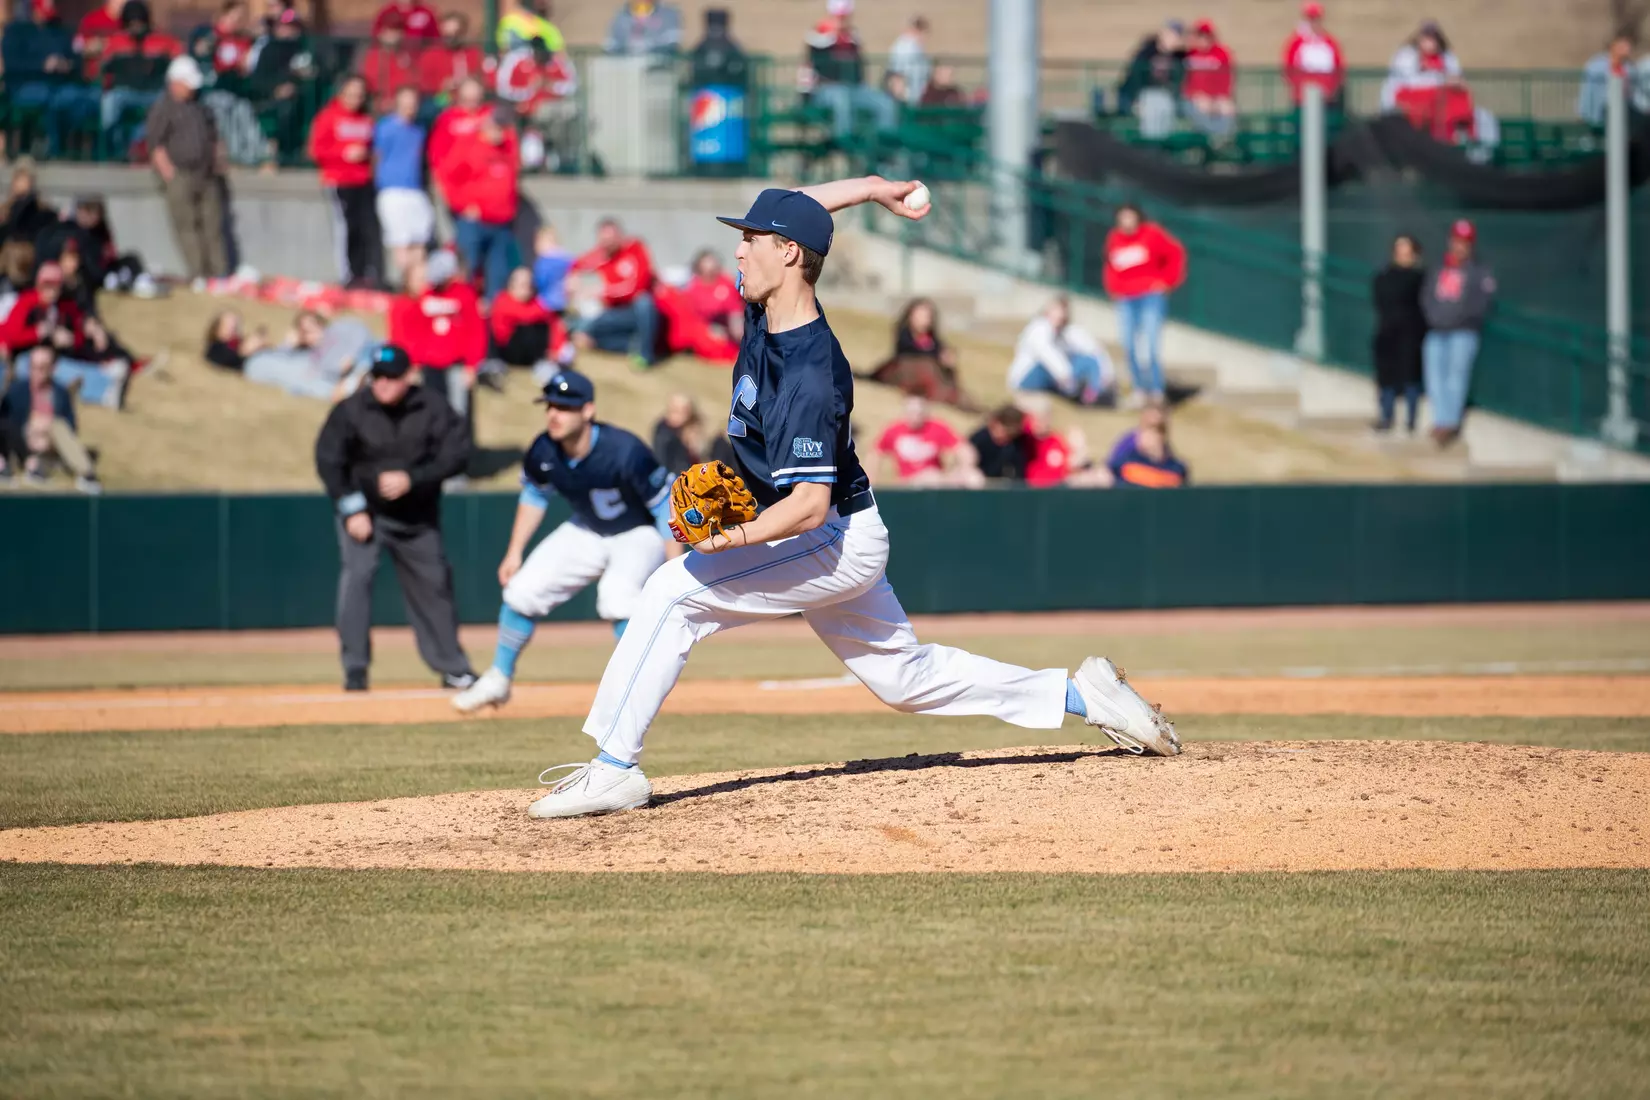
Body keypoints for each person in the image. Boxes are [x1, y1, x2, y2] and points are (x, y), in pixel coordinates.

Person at [523, 178, 1179, 820]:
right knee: (907, 679)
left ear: (787, 254)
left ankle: (614, 768)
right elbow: (803, 207)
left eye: (750, 239)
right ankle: (1082, 694)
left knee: (671, 593)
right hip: (835, 532)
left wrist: (729, 539)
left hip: (826, 536)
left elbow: (807, 505)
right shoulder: (763, 307)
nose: (737, 250)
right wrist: (872, 188)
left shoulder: (812, 371)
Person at [452, 368, 674, 712]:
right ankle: (498, 678)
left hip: (636, 532)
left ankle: (635, 684)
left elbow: (664, 506)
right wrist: (514, 552)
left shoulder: (625, 449)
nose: (554, 414)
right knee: (522, 591)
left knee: (617, 597)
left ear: (588, 410)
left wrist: (672, 564)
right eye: (550, 405)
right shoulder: (544, 449)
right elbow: (534, 498)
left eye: (565, 406)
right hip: (587, 528)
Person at [314, 344, 476, 693]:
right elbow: (329, 460)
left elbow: (458, 453)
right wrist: (351, 507)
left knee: (434, 587)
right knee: (356, 581)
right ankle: (355, 670)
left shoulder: (431, 407)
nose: (383, 384)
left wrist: (413, 479)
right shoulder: (352, 409)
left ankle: (453, 668)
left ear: (409, 376)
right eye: (377, 377)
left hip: (416, 518)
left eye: (391, 378)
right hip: (365, 515)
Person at [1, 261, 130, 408]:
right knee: (49, 366)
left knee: (61, 365)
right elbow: (10, 336)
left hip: (52, 357)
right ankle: (103, 391)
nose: (52, 292)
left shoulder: (59, 308)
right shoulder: (27, 302)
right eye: (47, 286)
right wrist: (37, 333)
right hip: (20, 360)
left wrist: (78, 335)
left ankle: (106, 381)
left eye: (56, 287)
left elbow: (77, 333)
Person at [146, 55, 228, 286]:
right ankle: (199, 273)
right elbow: (155, 144)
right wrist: (169, 173)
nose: (192, 88)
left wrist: (217, 161)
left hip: (206, 173)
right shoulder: (163, 108)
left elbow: (213, 136)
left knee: (213, 223)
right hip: (180, 174)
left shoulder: (200, 106)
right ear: (175, 82)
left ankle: (219, 272)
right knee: (187, 226)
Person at [1421, 220, 1495, 446]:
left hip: (1463, 332)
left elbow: (1482, 303)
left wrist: (1459, 318)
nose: (1459, 246)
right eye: (1456, 240)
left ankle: (1450, 423)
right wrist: (1433, 317)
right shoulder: (1439, 267)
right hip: (1436, 330)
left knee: (1456, 376)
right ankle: (1440, 420)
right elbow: (1426, 296)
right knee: (1434, 376)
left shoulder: (1480, 272)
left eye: (1464, 242)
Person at [389, 251, 486, 424]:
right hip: (429, 365)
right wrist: (413, 362)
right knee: (429, 408)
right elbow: (412, 333)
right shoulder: (424, 296)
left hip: (457, 364)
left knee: (458, 411)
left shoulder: (464, 295)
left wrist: (472, 364)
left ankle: (458, 447)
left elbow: (476, 332)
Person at [1102, 203, 1186, 406]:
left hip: (1150, 297)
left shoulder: (1152, 234)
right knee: (1129, 345)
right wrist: (1113, 288)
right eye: (1122, 217)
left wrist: (1167, 281)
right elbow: (1111, 266)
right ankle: (1139, 389)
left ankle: (1156, 391)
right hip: (1126, 299)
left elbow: (1176, 253)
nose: (1126, 221)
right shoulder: (1114, 238)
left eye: (1130, 217)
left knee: (1149, 347)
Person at [2, 0, 101, 160]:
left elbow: (76, 58)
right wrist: (42, 65)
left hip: (60, 84)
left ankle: (75, 151)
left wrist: (66, 64)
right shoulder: (16, 31)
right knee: (49, 98)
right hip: (25, 86)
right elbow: (13, 65)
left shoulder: (60, 32)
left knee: (82, 98)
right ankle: (52, 148)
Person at [309, 75, 381, 289]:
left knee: (365, 228)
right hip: (339, 180)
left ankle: (364, 272)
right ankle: (347, 275)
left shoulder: (366, 119)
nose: (355, 99)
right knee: (345, 228)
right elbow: (316, 150)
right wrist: (343, 153)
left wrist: (367, 156)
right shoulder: (328, 117)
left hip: (363, 180)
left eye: (359, 95)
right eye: (351, 94)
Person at [0, 345, 103, 492]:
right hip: (22, 441)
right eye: (33, 367)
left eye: (42, 367)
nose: (37, 372)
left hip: (51, 444)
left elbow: (71, 427)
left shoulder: (60, 393)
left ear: (52, 368)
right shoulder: (17, 390)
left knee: (57, 424)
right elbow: (6, 421)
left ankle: (86, 474)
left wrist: (47, 427)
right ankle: (30, 466)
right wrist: (32, 426)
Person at [442, 106, 521, 298]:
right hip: (474, 222)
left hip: (501, 222)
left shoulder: (506, 149)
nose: (500, 132)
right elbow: (448, 178)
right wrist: (462, 205)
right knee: (467, 269)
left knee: (498, 275)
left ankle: (492, 320)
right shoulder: (468, 146)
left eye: (503, 128)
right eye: (496, 126)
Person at [569, 217, 659, 367]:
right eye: (603, 240)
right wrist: (572, 277)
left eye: (610, 239)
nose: (607, 243)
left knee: (644, 302)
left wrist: (603, 291)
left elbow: (637, 286)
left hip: (638, 311)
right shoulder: (601, 254)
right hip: (615, 313)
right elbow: (576, 264)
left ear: (620, 236)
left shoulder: (635, 249)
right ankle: (631, 345)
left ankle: (645, 355)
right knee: (589, 328)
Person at [803, 0, 897, 141]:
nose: (841, 21)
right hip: (825, 90)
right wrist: (834, 37)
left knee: (885, 103)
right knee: (841, 98)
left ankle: (885, 147)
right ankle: (846, 143)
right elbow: (819, 63)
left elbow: (859, 68)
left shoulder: (853, 37)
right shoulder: (818, 36)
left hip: (854, 88)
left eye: (844, 17)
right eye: (838, 17)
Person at [1007, 296, 1115, 407]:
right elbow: (1046, 354)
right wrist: (1065, 376)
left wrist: (1107, 373)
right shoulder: (1039, 328)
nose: (1059, 314)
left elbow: (1094, 349)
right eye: (1056, 310)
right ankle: (1079, 393)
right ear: (1047, 311)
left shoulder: (1067, 332)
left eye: (1062, 311)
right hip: (1028, 378)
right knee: (1052, 367)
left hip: (1056, 378)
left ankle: (1093, 394)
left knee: (1088, 360)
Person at [373, 86, 432, 285]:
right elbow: (377, 157)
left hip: (415, 191)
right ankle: (407, 286)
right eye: (406, 102)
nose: (410, 107)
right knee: (401, 243)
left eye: (413, 102)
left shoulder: (419, 130)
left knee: (420, 241)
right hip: (392, 192)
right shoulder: (385, 128)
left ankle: (419, 284)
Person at [1381, 20, 1475, 142]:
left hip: (1440, 97)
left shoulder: (1447, 56)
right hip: (1412, 95)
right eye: (1426, 37)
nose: (1429, 42)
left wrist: (1452, 82)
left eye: (1433, 38)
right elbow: (1406, 81)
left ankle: (1457, 136)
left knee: (1460, 98)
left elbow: (1457, 77)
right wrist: (1440, 80)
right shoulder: (1406, 55)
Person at [1371, 234, 1426, 433]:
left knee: (1410, 376)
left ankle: (1411, 420)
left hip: (1411, 335)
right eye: (1399, 251)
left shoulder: (1420, 278)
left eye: (1407, 251)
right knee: (1386, 377)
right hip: (1387, 334)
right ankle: (1386, 416)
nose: (1403, 255)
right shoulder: (1384, 277)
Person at [873, 395, 981, 487]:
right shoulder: (894, 430)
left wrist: (965, 467)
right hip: (908, 482)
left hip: (938, 479)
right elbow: (876, 453)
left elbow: (963, 449)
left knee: (974, 477)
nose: (915, 417)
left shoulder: (936, 427)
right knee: (931, 476)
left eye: (919, 413)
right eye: (912, 413)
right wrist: (872, 480)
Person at [490, 265, 571, 373]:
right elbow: (501, 333)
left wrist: (555, 349)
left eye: (529, 283)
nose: (527, 287)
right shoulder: (502, 302)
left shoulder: (536, 304)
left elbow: (554, 325)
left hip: (536, 353)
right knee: (528, 328)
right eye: (523, 284)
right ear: (511, 285)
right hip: (509, 351)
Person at [1118, 21, 1185, 127]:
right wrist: (1135, 98)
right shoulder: (1147, 52)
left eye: (1177, 36)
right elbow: (1135, 77)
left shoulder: (1179, 57)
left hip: (1167, 96)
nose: (1173, 39)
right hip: (1144, 95)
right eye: (1170, 34)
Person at [1282, 1, 1344, 107]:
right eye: (1310, 19)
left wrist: (1332, 89)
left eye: (1316, 19)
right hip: (1302, 98)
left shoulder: (1329, 43)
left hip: (1327, 97)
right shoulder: (1297, 43)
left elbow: (1338, 66)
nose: (1313, 23)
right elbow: (1288, 67)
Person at [1579, 33, 1650, 126]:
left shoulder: (1630, 68)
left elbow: (1635, 93)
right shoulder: (1597, 66)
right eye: (1624, 45)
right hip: (1603, 109)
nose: (1628, 48)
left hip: (1627, 109)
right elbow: (1589, 91)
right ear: (1614, 46)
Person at [1181, 19, 1235, 137]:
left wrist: (1217, 98)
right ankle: (1210, 139)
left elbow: (1226, 79)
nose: (1203, 39)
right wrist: (1195, 94)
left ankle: (1223, 139)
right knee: (1201, 107)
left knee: (1227, 107)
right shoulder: (1189, 54)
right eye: (1200, 36)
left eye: (1206, 36)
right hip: (1194, 97)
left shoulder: (1221, 53)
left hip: (1215, 96)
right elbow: (1184, 81)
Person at [419, 12, 488, 101]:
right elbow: (424, 86)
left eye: (457, 33)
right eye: (448, 34)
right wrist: (442, 87)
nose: (452, 38)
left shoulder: (474, 54)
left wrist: (471, 82)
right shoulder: (431, 55)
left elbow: (486, 79)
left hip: (470, 100)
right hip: (441, 100)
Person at [357, 16, 418, 114]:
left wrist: (397, 102)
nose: (393, 35)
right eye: (389, 30)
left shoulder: (408, 58)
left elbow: (413, 85)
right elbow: (366, 85)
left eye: (397, 30)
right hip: (375, 109)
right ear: (381, 33)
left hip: (403, 109)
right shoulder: (371, 57)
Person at [681, 249, 742, 344]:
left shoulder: (726, 282)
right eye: (707, 262)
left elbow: (735, 309)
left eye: (712, 261)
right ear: (699, 266)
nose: (711, 265)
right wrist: (709, 328)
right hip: (706, 328)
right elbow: (692, 317)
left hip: (728, 326)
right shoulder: (693, 288)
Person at [1108, 423, 1188, 488]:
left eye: (1148, 435)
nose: (1142, 439)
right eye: (1141, 435)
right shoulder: (1126, 461)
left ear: (1160, 437)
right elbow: (1107, 474)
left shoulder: (1176, 468)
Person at [968, 404, 1033, 482]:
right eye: (1006, 430)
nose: (1007, 436)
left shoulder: (1017, 444)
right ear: (995, 423)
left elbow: (1018, 472)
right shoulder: (979, 440)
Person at [605, 0, 681, 56]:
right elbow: (612, 46)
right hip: (627, 68)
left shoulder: (669, 15)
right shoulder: (621, 16)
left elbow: (671, 46)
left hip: (658, 69)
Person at [202, 307, 269, 370]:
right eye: (229, 325)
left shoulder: (238, 341)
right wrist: (243, 352)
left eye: (235, 324)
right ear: (217, 329)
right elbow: (225, 361)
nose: (233, 327)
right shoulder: (216, 347)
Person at [886, 15, 930, 104]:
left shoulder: (917, 47)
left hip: (918, 96)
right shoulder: (903, 46)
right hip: (905, 97)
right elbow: (896, 74)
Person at [531, 223, 574, 313]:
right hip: (564, 303)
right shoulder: (567, 258)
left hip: (545, 305)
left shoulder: (543, 262)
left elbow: (540, 282)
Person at [372, 0, 439, 42]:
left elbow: (436, 40)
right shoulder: (387, 12)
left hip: (419, 59)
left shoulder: (426, 13)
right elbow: (374, 38)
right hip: (392, 59)